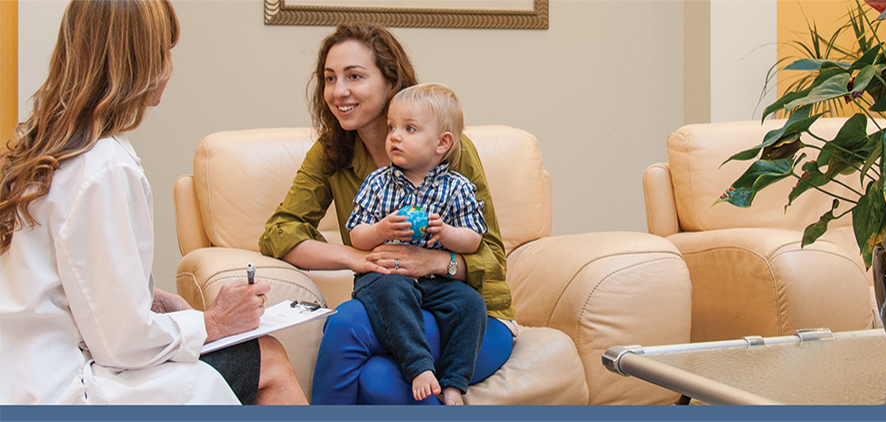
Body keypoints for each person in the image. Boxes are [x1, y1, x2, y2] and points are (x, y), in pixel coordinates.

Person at [0, 0, 306, 405]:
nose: (170, 65)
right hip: (66, 389)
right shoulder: (105, 165)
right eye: (165, 50)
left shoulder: (40, 146)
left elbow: (64, 278)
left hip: (21, 374)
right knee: (269, 360)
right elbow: (122, 343)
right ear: (139, 62)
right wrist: (212, 322)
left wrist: (153, 297)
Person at [258, 23, 515, 405]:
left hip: (467, 318)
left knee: (347, 325)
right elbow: (279, 232)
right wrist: (357, 258)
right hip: (393, 304)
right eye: (329, 78)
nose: (338, 91)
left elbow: (492, 258)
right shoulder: (333, 153)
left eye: (354, 76)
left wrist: (430, 261)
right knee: (377, 379)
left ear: (390, 83)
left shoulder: (450, 152)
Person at [346, 83, 488, 405]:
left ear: (442, 143)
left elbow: (474, 238)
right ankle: (419, 367)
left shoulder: (457, 187)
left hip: (436, 280)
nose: (395, 136)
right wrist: (381, 229)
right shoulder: (378, 181)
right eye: (392, 127)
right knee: (393, 292)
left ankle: (453, 381)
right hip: (387, 277)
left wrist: (446, 233)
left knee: (471, 305)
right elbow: (357, 234)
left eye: (409, 129)